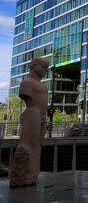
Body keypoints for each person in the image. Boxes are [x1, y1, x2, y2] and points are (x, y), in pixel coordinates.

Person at [10, 58, 49, 187]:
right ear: (34, 66)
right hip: (32, 114)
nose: (45, 70)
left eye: (47, 68)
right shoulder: (27, 83)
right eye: (43, 67)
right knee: (29, 145)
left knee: (37, 146)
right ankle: (24, 175)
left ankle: (32, 174)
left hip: (42, 117)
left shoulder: (43, 85)